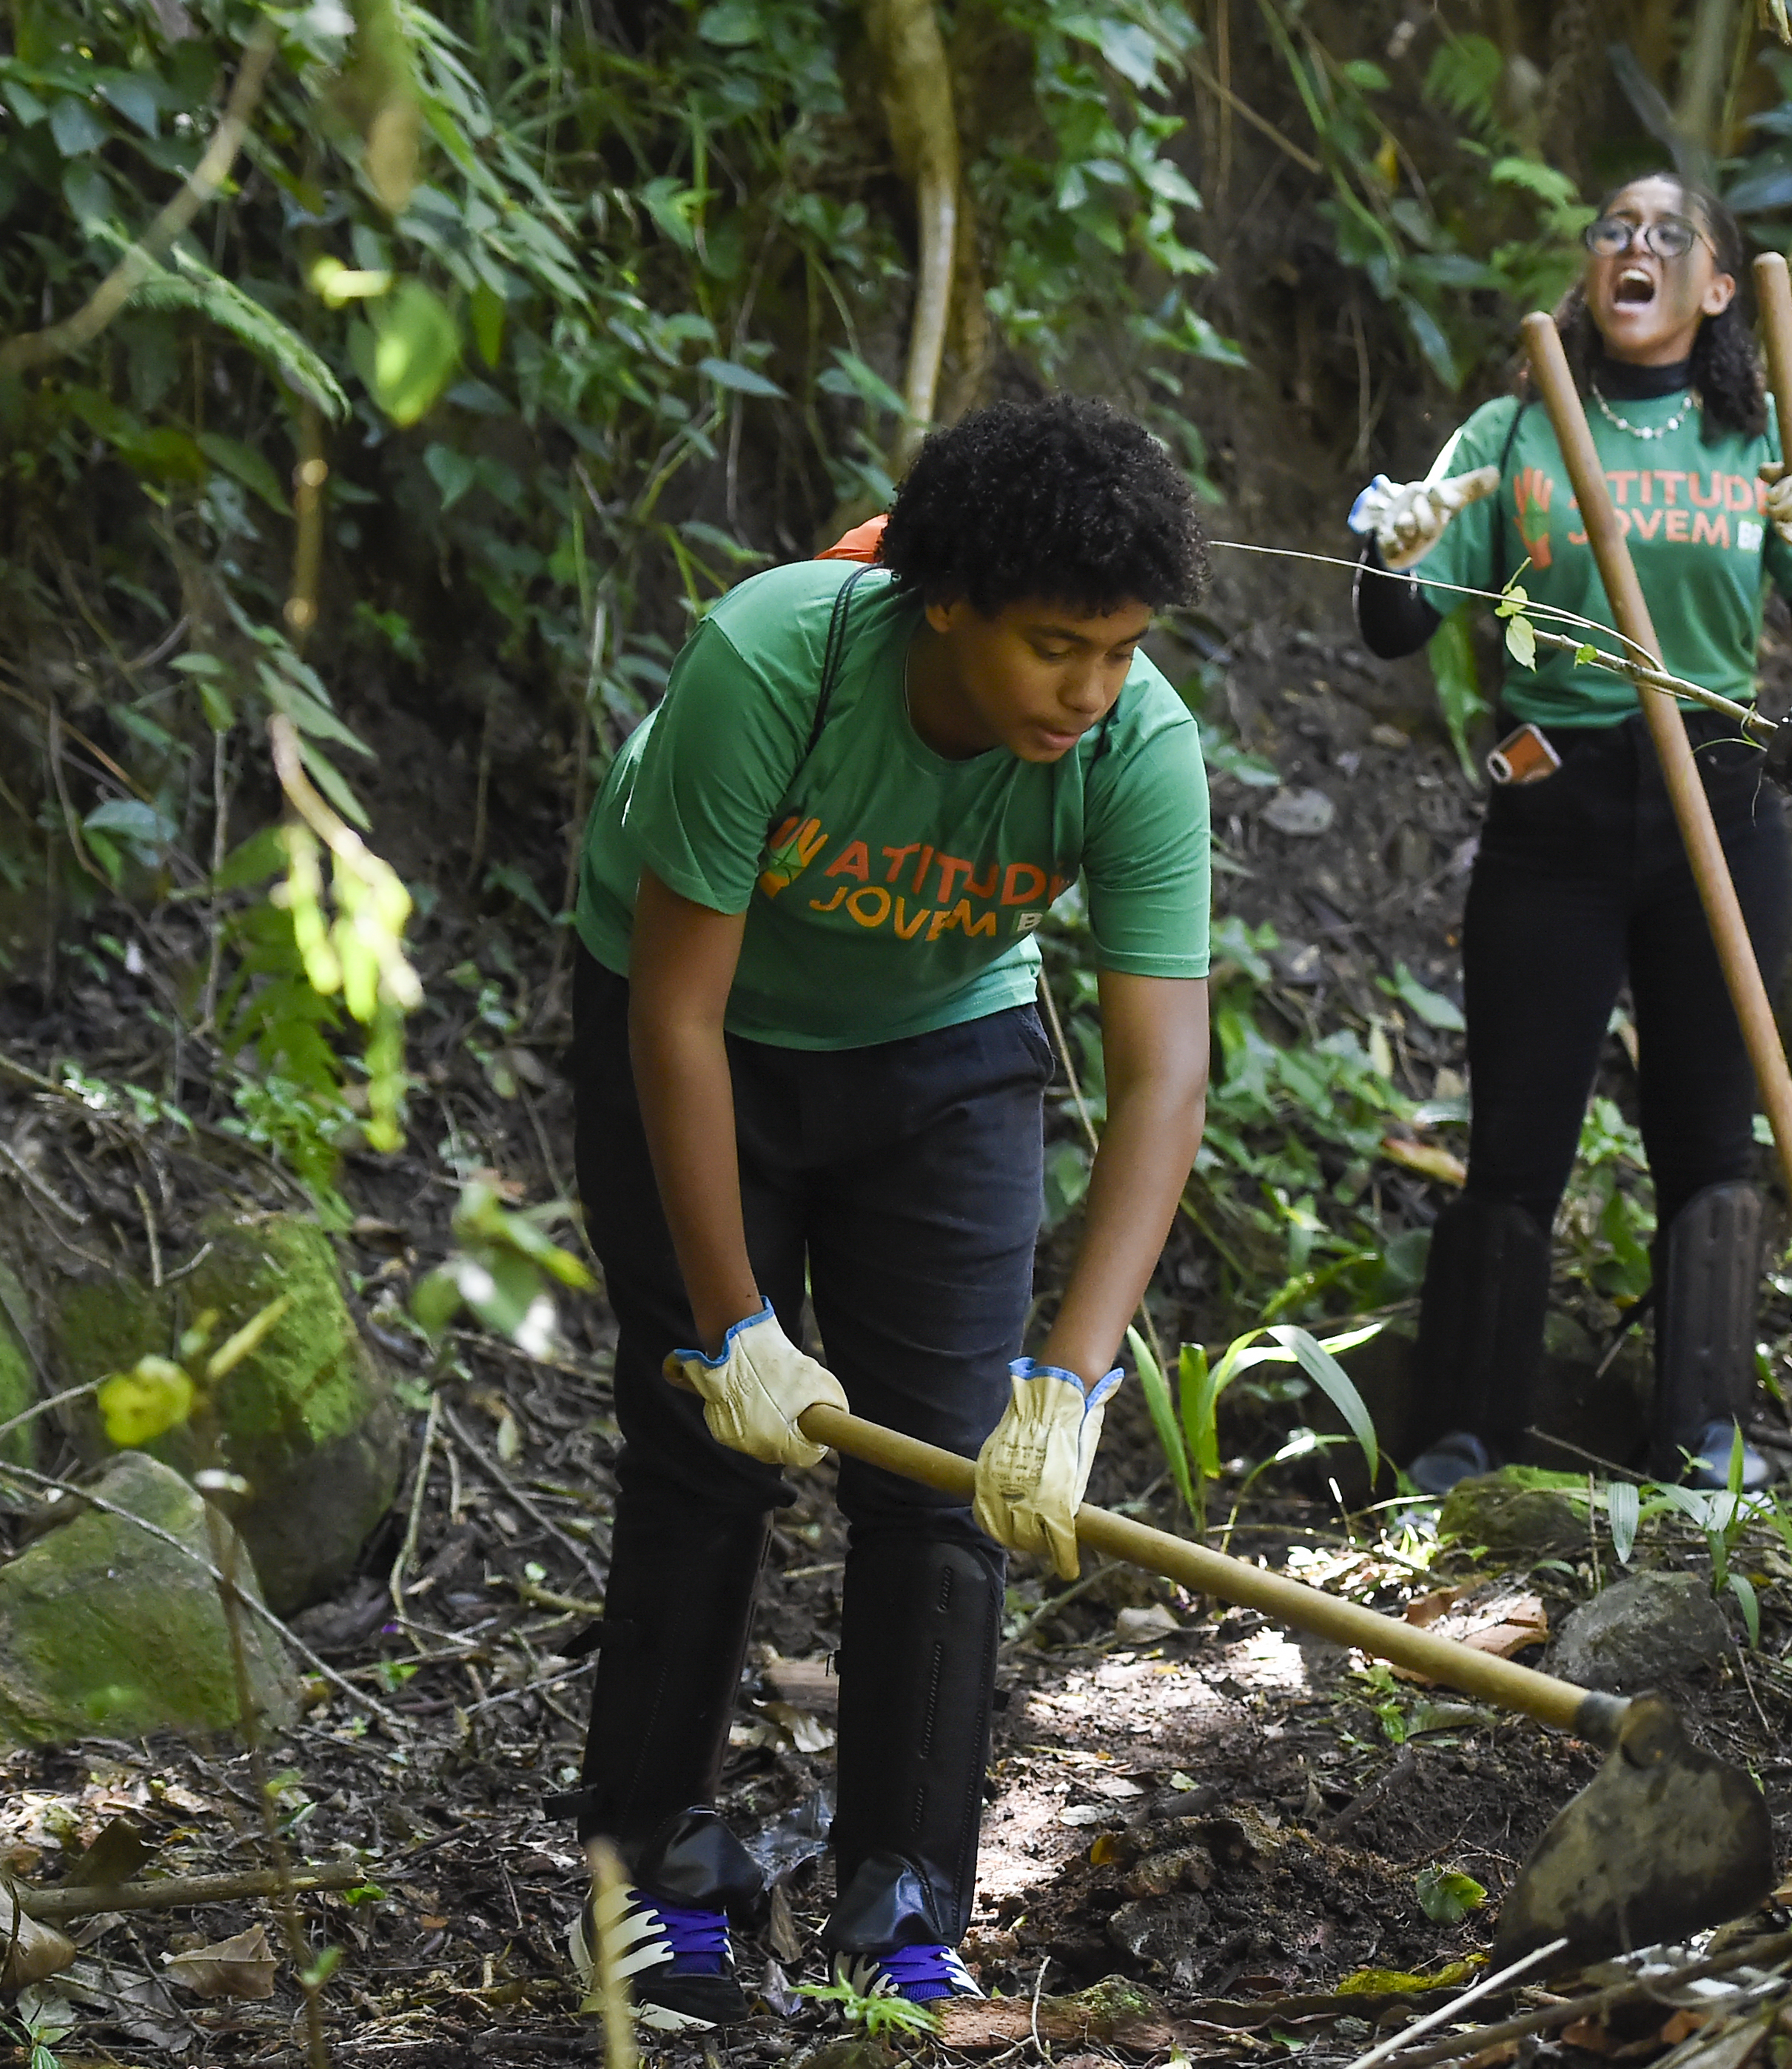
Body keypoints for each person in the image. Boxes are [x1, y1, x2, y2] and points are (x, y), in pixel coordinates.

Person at [558, 396, 1213, 2023]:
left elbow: (1162, 1080)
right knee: (706, 1446)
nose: (1093, 689)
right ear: (946, 603)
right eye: (1058, 645)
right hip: (695, 1026)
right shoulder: (777, 661)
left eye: (1121, 649)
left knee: (943, 1475)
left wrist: (1070, 1379)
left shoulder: (1138, 750)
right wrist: (734, 1323)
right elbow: (674, 1016)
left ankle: (902, 1896)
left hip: (940, 1040)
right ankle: (648, 1871)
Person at [1349, 174, 1792, 1497]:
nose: (1631, 248)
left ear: (1718, 289)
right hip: (1555, 803)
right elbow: (1394, 626)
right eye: (1612, 231)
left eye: (1668, 234)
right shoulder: (1522, 423)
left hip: (1721, 797)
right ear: (1589, 274)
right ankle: (1467, 1434)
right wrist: (1399, 551)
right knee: (1519, 1131)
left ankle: (1703, 1433)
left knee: (1709, 1126)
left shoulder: (1757, 439)